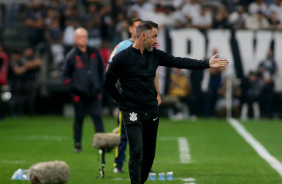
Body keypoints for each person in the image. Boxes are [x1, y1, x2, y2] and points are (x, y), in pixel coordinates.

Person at [104, 21, 229, 184]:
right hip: (131, 111)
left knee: (149, 155)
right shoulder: (122, 58)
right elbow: (108, 84)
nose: (156, 41)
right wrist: (122, 101)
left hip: (151, 110)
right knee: (137, 152)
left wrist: (206, 64)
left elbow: (179, 61)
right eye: (154, 37)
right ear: (143, 36)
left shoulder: (155, 55)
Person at [107, 18, 161, 173]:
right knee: (122, 132)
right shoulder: (122, 47)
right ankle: (118, 164)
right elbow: (110, 69)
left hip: (145, 102)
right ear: (131, 29)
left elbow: (153, 73)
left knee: (143, 135)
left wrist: (157, 93)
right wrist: (116, 93)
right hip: (128, 100)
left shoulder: (150, 50)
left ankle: (143, 166)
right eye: (137, 26)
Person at [62, 28, 105, 153]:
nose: (83, 39)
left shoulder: (95, 52)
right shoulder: (71, 55)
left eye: (85, 36)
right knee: (79, 118)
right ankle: (77, 143)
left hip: (94, 92)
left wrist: (100, 84)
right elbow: (65, 75)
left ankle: (101, 144)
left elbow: (102, 70)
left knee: (97, 116)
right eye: (80, 37)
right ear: (76, 39)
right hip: (79, 94)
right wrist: (73, 87)